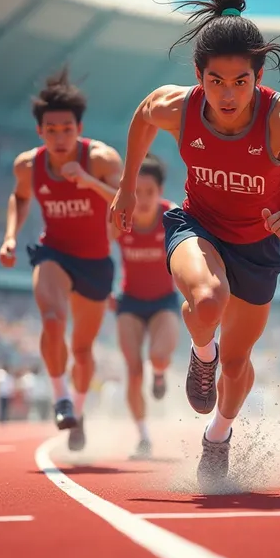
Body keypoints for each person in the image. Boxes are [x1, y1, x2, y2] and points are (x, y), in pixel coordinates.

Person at [110, 0, 280, 486]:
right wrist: (127, 186)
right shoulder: (179, 106)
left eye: (241, 82)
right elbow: (144, 116)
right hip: (198, 226)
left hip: (258, 246)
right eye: (215, 81)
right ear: (198, 74)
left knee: (239, 365)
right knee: (208, 300)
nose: (228, 94)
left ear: (259, 77)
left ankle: (218, 437)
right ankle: (201, 356)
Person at [0, 67, 123, 451]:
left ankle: (79, 412)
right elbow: (20, 198)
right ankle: (61, 398)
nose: (59, 137)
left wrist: (91, 183)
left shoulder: (101, 159)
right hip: (53, 252)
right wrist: (10, 237)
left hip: (95, 261)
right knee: (52, 320)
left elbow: (125, 206)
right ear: (40, 132)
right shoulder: (28, 165)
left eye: (66, 129)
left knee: (83, 350)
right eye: (50, 130)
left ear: (79, 127)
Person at [110, 154, 180, 459]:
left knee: (159, 356)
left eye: (149, 192)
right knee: (134, 370)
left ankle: (161, 374)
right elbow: (98, 251)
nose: (142, 199)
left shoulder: (172, 217)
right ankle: (143, 437)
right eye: (136, 192)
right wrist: (103, 291)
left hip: (164, 301)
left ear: (160, 191)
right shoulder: (119, 218)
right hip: (130, 302)